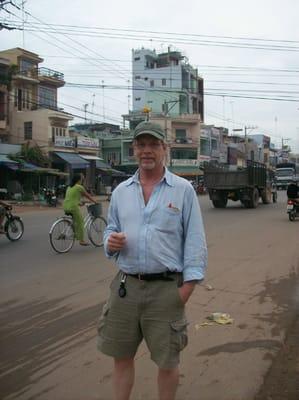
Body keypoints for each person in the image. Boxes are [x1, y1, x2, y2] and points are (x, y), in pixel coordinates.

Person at [98, 121, 208, 400]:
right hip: (126, 288)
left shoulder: (182, 190)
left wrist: (185, 290)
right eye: (141, 145)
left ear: (164, 149)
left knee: (167, 362)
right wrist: (110, 242)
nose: (147, 151)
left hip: (166, 289)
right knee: (121, 359)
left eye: (153, 145)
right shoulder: (121, 191)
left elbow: (195, 241)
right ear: (134, 149)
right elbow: (111, 228)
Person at [63, 173, 97, 246]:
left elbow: (71, 198)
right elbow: (88, 196)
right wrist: (95, 202)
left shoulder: (69, 187)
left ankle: (75, 233)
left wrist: (80, 203)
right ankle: (81, 240)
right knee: (81, 222)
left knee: (76, 221)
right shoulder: (79, 187)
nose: (83, 180)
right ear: (79, 180)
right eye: (82, 179)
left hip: (66, 206)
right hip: (73, 207)